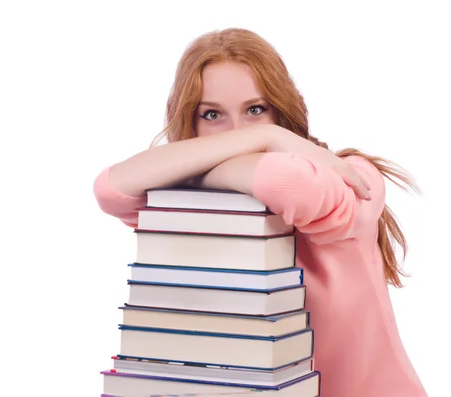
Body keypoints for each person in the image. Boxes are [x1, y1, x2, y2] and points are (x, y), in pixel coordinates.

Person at [93, 28, 427, 397]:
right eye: (212, 114)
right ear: (190, 122)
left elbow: (285, 182)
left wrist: (222, 160)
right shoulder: (197, 205)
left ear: (282, 109)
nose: (235, 131)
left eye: (256, 110)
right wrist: (263, 138)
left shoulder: (351, 175)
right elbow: (110, 189)